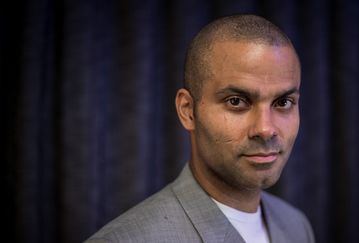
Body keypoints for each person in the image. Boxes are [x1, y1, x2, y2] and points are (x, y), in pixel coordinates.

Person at [86, 14, 315, 243]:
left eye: (283, 102)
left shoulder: (296, 225)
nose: (266, 129)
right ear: (187, 110)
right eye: (236, 101)